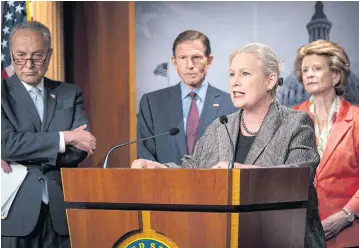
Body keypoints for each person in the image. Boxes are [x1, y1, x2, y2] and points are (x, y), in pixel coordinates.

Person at [132, 43, 326, 247]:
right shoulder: (220, 126)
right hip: (225, 238)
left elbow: (300, 175)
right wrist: (160, 169)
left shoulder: (295, 123)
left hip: (283, 239)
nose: (235, 82)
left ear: (270, 80)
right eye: (232, 74)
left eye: (245, 74)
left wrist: (239, 173)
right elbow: (191, 168)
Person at [1, 21, 96, 248]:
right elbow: (6, 144)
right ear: (10, 54)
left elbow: (80, 151)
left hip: (61, 210)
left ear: (50, 54)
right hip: (14, 212)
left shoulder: (69, 94)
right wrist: (65, 137)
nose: (29, 64)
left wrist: (25, 151)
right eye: (20, 56)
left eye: (37, 56)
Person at [293, 40, 359, 248]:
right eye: (305, 70)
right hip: (299, 234)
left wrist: (346, 215)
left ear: (336, 75)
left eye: (317, 68)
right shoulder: (290, 119)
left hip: (347, 234)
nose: (309, 74)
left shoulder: (357, 119)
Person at [137, 30, 237, 165]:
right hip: (165, 184)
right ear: (174, 62)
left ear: (209, 61)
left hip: (216, 184)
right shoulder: (152, 103)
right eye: (183, 58)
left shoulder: (231, 104)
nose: (190, 65)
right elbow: (146, 158)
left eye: (196, 57)